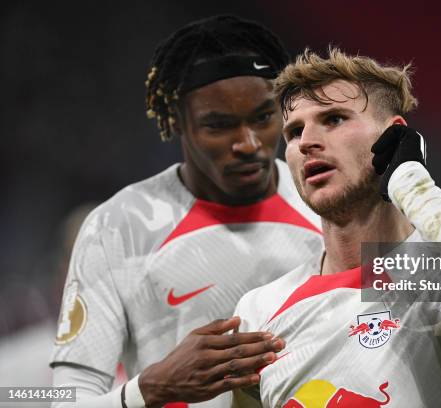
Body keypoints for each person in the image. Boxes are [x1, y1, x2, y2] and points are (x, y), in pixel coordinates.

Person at [233, 49, 441, 407]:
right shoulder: (260, 309)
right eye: (295, 131)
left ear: (393, 137)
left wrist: (410, 182)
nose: (307, 142)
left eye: (333, 119)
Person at [50, 16, 323, 408]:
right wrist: (151, 388)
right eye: (219, 125)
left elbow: (440, 303)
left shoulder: (331, 204)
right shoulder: (117, 228)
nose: (248, 144)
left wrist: (410, 189)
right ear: (176, 120)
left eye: (263, 118)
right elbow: (66, 401)